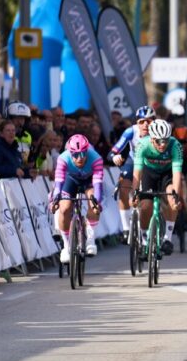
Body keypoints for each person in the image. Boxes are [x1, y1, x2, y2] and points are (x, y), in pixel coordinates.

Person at [131, 119, 183, 257]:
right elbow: (137, 173)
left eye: (165, 140)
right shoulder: (142, 145)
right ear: (152, 138)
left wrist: (176, 196)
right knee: (146, 206)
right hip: (149, 173)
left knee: (172, 199)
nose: (163, 144)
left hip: (167, 174)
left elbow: (177, 173)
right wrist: (135, 193)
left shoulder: (175, 145)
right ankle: (142, 239)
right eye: (159, 141)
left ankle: (168, 238)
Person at [50, 134, 104, 263]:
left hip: (88, 181)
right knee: (65, 208)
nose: (79, 158)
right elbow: (58, 183)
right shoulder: (63, 158)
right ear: (70, 153)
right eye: (75, 155)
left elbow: (97, 185)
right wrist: (55, 199)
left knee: (93, 202)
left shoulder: (96, 159)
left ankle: (90, 240)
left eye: (83, 154)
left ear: (87, 151)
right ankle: (66, 246)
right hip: (70, 180)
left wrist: (97, 202)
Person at [109, 106, 154, 240]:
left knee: (148, 199)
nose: (145, 124)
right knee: (123, 188)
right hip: (132, 161)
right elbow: (114, 150)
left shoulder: (158, 131)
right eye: (141, 121)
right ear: (136, 122)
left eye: (149, 121)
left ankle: (150, 226)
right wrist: (114, 157)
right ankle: (126, 228)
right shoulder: (130, 131)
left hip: (149, 164)